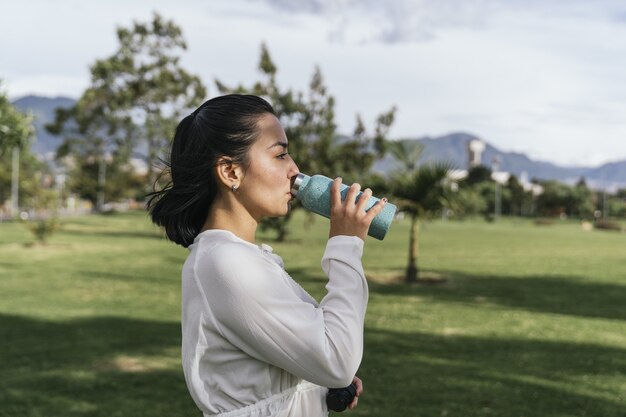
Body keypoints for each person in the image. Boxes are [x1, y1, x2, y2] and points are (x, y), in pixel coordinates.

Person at [147, 94, 387, 417]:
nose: (295, 170)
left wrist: (316, 385)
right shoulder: (226, 264)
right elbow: (337, 360)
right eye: (280, 155)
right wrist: (345, 245)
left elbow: (301, 360)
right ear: (231, 172)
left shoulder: (236, 257)